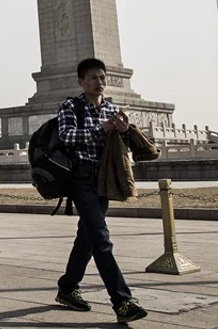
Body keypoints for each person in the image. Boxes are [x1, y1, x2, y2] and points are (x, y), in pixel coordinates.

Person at [54, 58, 148, 324]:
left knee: (87, 236)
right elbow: (66, 136)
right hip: (81, 179)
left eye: (103, 78)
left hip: (105, 180)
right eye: (94, 78)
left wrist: (124, 130)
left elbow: (122, 145)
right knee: (101, 239)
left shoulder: (112, 109)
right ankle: (122, 301)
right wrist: (102, 128)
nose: (100, 82)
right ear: (81, 82)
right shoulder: (71, 106)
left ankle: (68, 287)